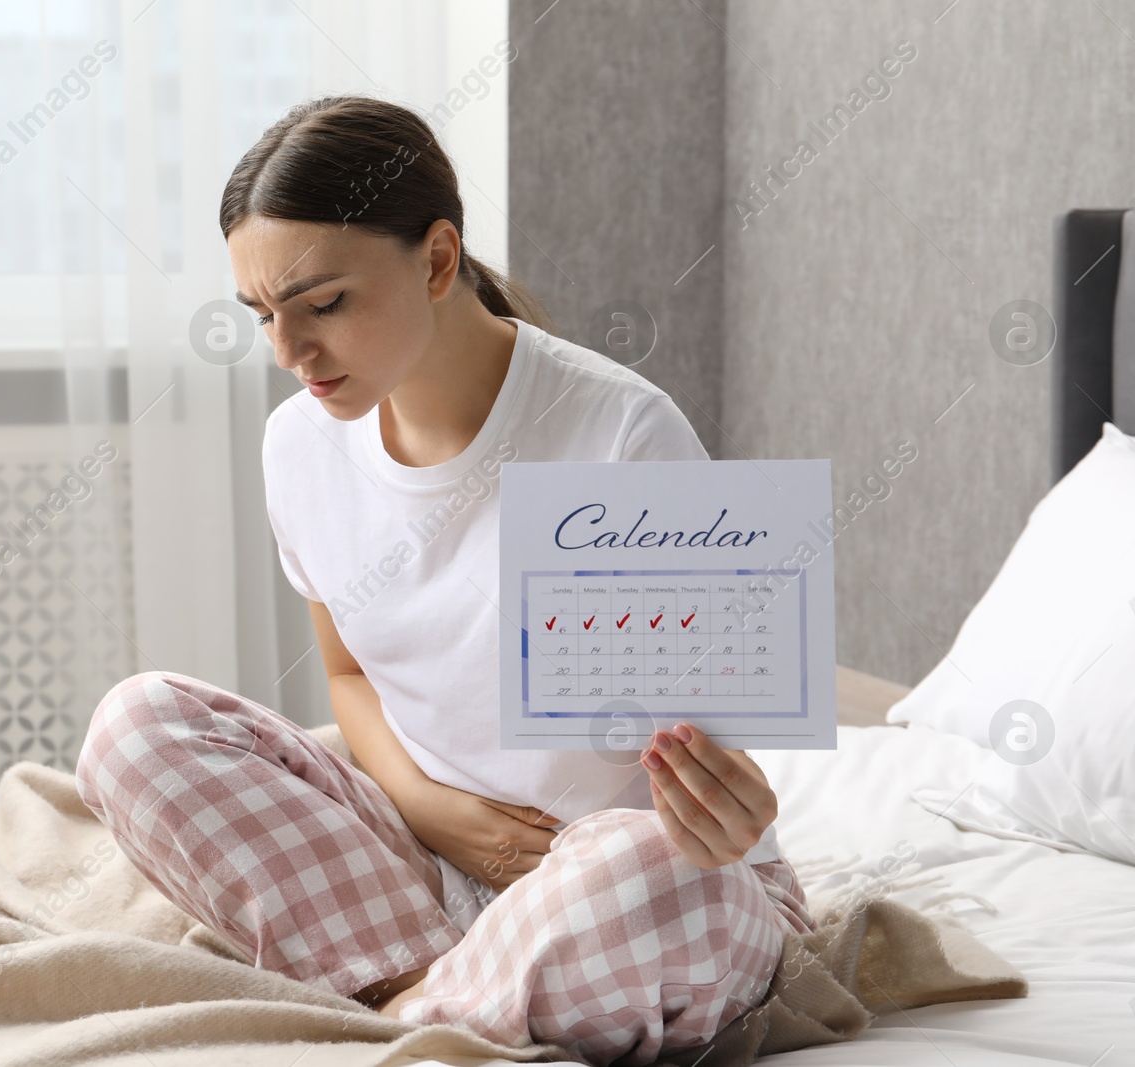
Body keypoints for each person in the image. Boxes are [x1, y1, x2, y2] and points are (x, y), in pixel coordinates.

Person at [75, 94, 815, 1067]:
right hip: (428, 854)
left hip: (628, 876)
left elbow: (708, 757)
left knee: (648, 862)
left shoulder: (621, 435)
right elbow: (346, 679)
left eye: (323, 304)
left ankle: (402, 1018)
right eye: (261, 316)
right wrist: (437, 813)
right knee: (136, 726)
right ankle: (439, 989)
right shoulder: (299, 444)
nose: (289, 354)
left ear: (434, 258)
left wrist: (732, 812)